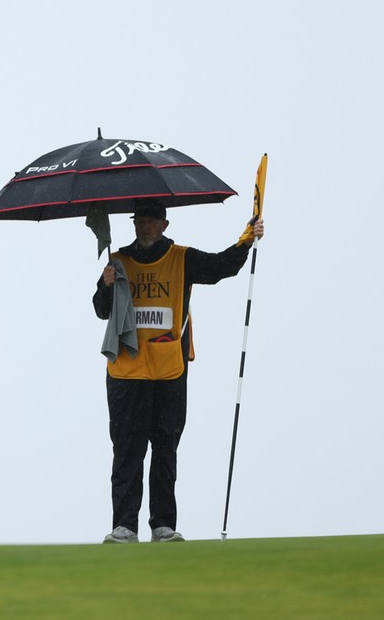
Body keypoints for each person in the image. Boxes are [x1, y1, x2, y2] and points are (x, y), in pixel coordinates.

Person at [93, 200, 264, 544]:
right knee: (127, 450)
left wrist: (247, 239)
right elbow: (100, 310)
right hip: (127, 371)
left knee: (166, 448)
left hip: (170, 369)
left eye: (151, 220)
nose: (144, 225)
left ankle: (163, 526)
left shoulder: (181, 258)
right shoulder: (118, 261)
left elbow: (220, 267)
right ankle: (124, 526)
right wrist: (106, 285)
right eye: (140, 219)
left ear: (164, 225)